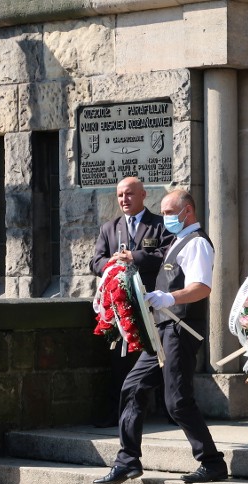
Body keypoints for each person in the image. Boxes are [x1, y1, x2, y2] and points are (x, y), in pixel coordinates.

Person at [93, 188, 229, 484]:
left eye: (169, 213)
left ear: (187, 212)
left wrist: (167, 298)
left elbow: (202, 287)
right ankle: (127, 461)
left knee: (177, 401)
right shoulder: (179, 242)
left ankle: (212, 462)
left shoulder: (197, 244)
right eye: (164, 212)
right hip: (162, 329)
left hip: (180, 329)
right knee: (133, 387)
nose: (165, 218)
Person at [90, 177, 173, 428]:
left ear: (143, 195)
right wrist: (113, 263)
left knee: (158, 356)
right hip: (120, 305)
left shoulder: (159, 225)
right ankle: (118, 411)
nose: (124, 200)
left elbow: (168, 256)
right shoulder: (110, 228)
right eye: (120, 196)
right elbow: (95, 262)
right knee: (119, 361)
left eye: (129, 194)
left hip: (152, 302)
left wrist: (134, 256)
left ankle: (169, 409)